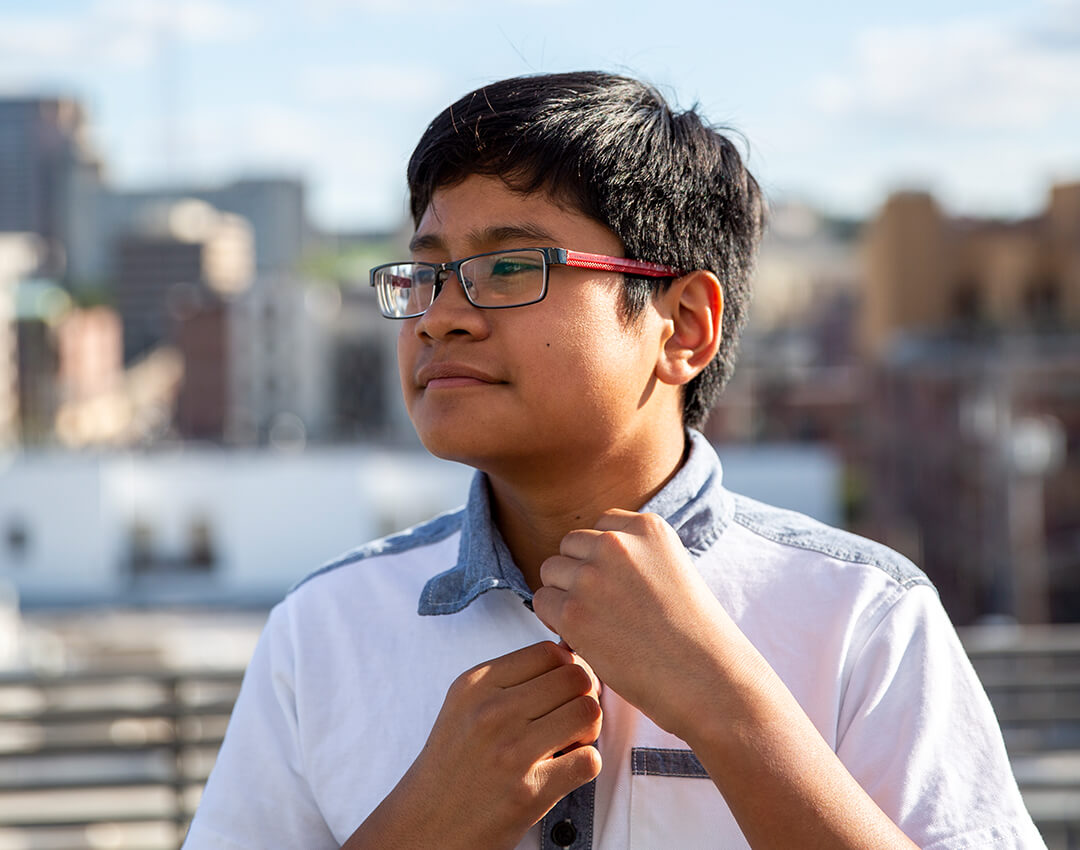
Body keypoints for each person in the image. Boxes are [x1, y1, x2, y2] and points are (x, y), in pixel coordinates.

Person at [183, 71, 1045, 849]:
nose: (441, 315)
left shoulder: (864, 618)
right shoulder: (325, 629)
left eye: (512, 265)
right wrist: (421, 827)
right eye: (426, 272)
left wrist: (731, 710)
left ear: (684, 326)